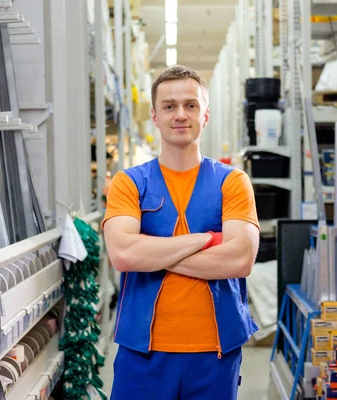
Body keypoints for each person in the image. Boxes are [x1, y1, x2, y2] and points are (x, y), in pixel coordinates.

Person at [102, 65, 261, 400]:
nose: (180, 115)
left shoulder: (232, 182)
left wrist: (152, 255)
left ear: (204, 117)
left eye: (191, 105)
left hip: (215, 353)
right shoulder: (129, 183)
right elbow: (123, 255)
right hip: (142, 354)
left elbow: (240, 259)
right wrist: (207, 240)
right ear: (156, 117)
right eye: (169, 106)